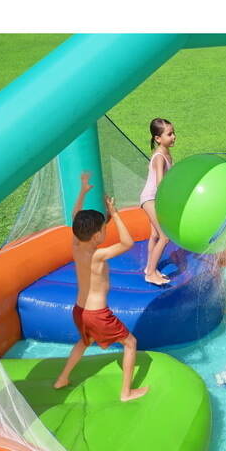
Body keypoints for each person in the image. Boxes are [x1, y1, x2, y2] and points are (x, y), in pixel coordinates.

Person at [53, 172, 149, 402]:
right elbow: (128, 243)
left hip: (80, 310)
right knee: (131, 343)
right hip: (97, 314)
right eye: (104, 229)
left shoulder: (77, 245)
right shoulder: (98, 255)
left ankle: (62, 379)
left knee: (85, 341)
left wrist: (83, 191)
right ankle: (126, 393)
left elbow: (75, 216)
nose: (106, 230)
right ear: (97, 236)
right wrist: (115, 213)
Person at [140, 117, 175, 285]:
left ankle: (149, 267)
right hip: (151, 198)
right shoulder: (159, 156)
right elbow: (160, 183)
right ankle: (150, 273)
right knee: (165, 237)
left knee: (154, 235)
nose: (173, 137)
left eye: (173, 133)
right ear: (158, 138)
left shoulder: (166, 153)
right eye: (169, 134)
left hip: (154, 198)